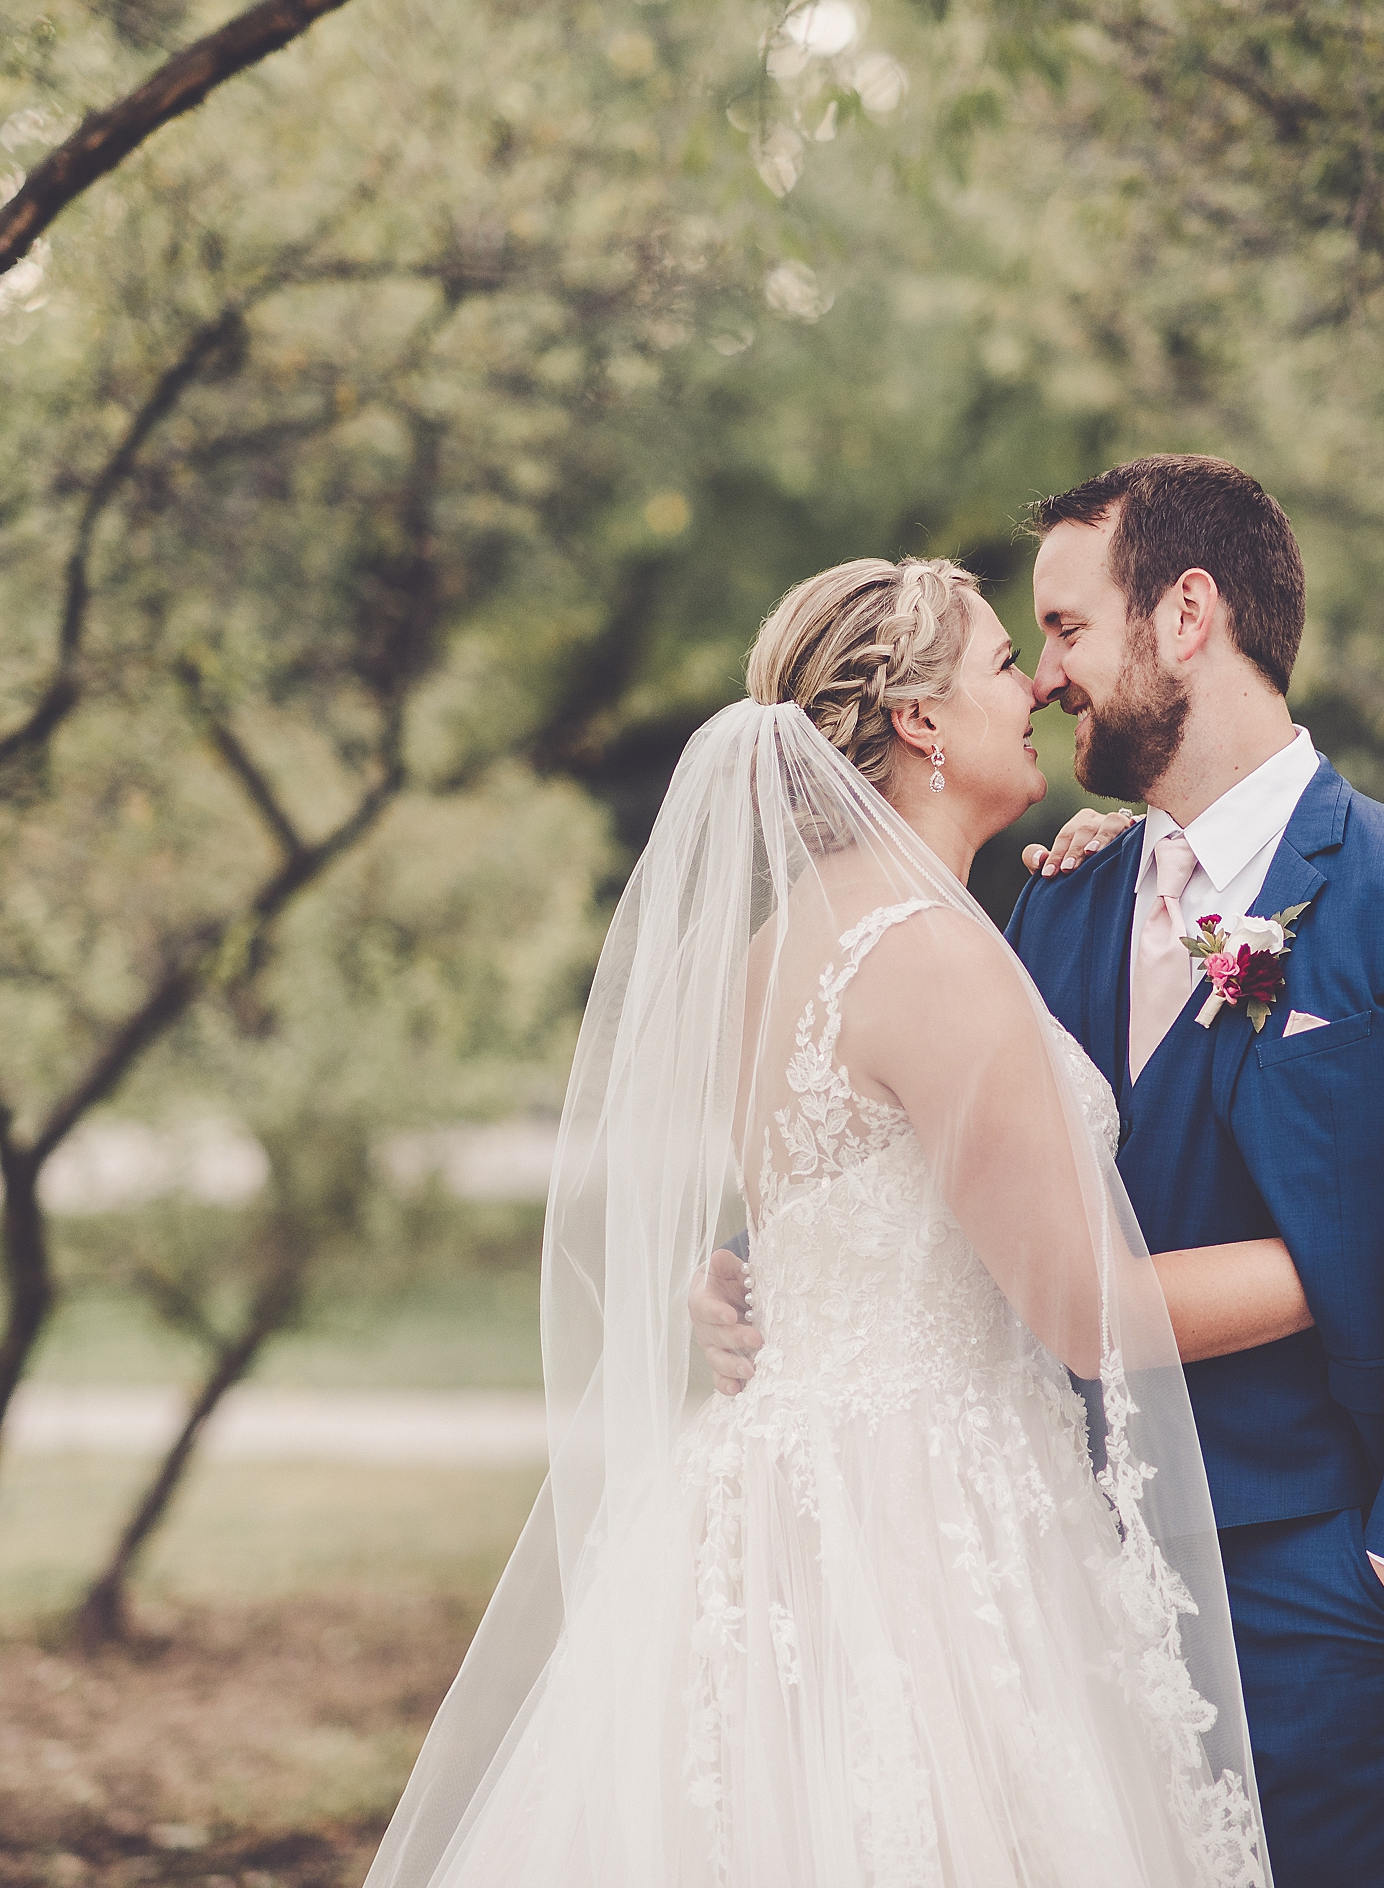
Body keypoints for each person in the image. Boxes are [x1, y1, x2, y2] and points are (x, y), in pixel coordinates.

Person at [699, 457, 1384, 1887]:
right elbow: (924, 1157)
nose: (1045, 680)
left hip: (1315, 1584)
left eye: (1063, 629)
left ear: (1188, 616)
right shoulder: (1046, 902)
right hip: (1046, 1583)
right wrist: (761, 1274)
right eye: (1028, 644)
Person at [366, 556, 1276, 1888]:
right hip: (925, 1528)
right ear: (918, 721)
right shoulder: (934, 954)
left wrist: (737, 1279)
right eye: (992, 664)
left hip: (778, 1500)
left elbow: (846, 1212)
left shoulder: (782, 946)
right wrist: (1353, 1266)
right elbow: (1089, 1311)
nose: (1028, 684)